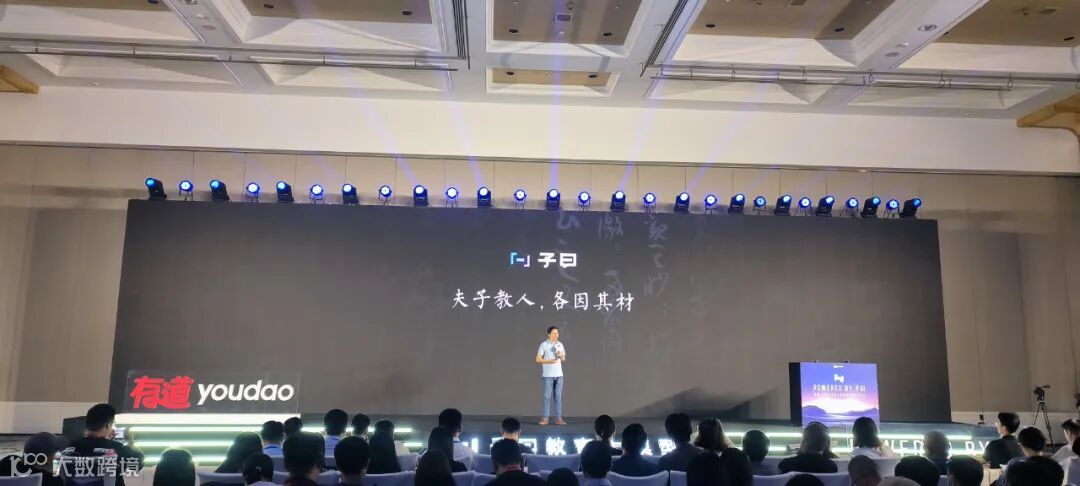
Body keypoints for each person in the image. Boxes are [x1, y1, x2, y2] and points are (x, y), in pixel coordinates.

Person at [64, 403, 144, 486]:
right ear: (107, 425)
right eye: (113, 424)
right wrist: (131, 442)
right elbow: (138, 464)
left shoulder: (71, 446)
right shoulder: (118, 448)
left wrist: (108, 443)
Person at [0, 432, 68, 486]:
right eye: (53, 453)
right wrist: (56, 467)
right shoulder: (53, 480)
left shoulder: (8, 462)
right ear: (46, 458)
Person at [536, 326, 567, 426]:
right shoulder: (544, 345)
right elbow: (538, 359)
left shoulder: (560, 345)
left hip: (559, 375)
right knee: (547, 397)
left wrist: (561, 355)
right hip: (548, 375)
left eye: (557, 333)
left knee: (558, 397)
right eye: (554, 333)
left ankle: (558, 418)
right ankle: (545, 418)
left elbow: (563, 359)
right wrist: (549, 361)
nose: (556, 335)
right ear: (549, 334)